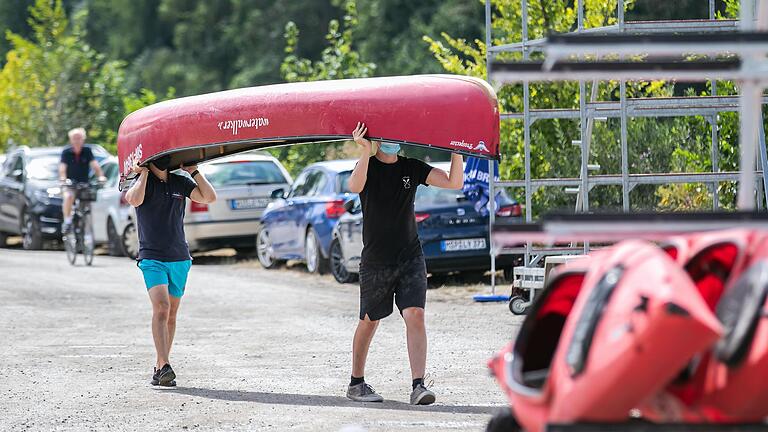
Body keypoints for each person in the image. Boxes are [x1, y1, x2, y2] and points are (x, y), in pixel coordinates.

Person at [345, 122, 464, 405]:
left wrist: (456, 151)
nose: (394, 141)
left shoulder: (412, 167)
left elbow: (453, 182)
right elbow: (354, 186)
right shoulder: (369, 166)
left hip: (410, 256)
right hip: (376, 260)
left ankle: (418, 385)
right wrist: (364, 151)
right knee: (369, 320)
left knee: (415, 314)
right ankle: (356, 383)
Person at [125, 154, 216, 386]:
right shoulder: (142, 182)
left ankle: (159, 366)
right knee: (162, 308)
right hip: (152, 258)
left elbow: (209, 197)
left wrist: (194, 171)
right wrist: (143, 172)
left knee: (171, 315)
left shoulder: (180, 182)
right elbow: (133, 200)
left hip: (179, 258)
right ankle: (165, 365)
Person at [59, 128, 106, 232]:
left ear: (83, 139)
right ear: (71, 140)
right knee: (69, 196)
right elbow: (62, 169)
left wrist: (101, 176)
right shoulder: (66, 152)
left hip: (84, 183)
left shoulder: (87, 151)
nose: (77, 140)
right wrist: (63, 180)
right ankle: (67, 221)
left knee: (89, 201)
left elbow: (95, 166)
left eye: (79, 138)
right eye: (75, 138)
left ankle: (88, 226)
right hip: (70, 183)